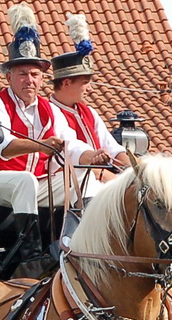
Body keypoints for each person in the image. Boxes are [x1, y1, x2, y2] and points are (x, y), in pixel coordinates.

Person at [0, 4, 96, 234]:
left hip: (31, 184)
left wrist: (91, 156)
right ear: (9, 76)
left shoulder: (48, 108)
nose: (29, 80)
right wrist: (43, 145)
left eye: (35, 75)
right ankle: (30, 254)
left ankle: (80, 244)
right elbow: (3, 148)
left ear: (42, 78)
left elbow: (69, 144)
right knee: (24, 180)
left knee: (83, 177)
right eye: (22, 74)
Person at [46, 13, 129, 200]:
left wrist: (139, 170)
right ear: (66, 83)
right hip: (72, 188)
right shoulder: (49, 113)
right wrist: (116, 181)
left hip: (102, 181)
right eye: (85, 82)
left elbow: (113, 148)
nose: (90, 89)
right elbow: (71, 156)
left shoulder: (88, 112)